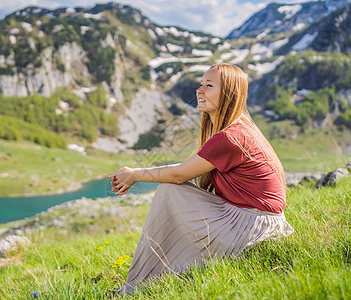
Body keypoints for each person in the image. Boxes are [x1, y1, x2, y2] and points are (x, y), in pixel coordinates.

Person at [109, 63, 294, 295]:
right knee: (172, 189)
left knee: (169, 190)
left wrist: (135, 174)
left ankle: (138, 285)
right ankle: (154, 277)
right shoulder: (239, 130)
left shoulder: (231, 137)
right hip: (257, 222)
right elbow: (186, 168)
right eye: (200, 84)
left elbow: (178, 175)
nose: (199, 90)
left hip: (253, 229)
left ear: (229, 93)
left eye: (209, 85)